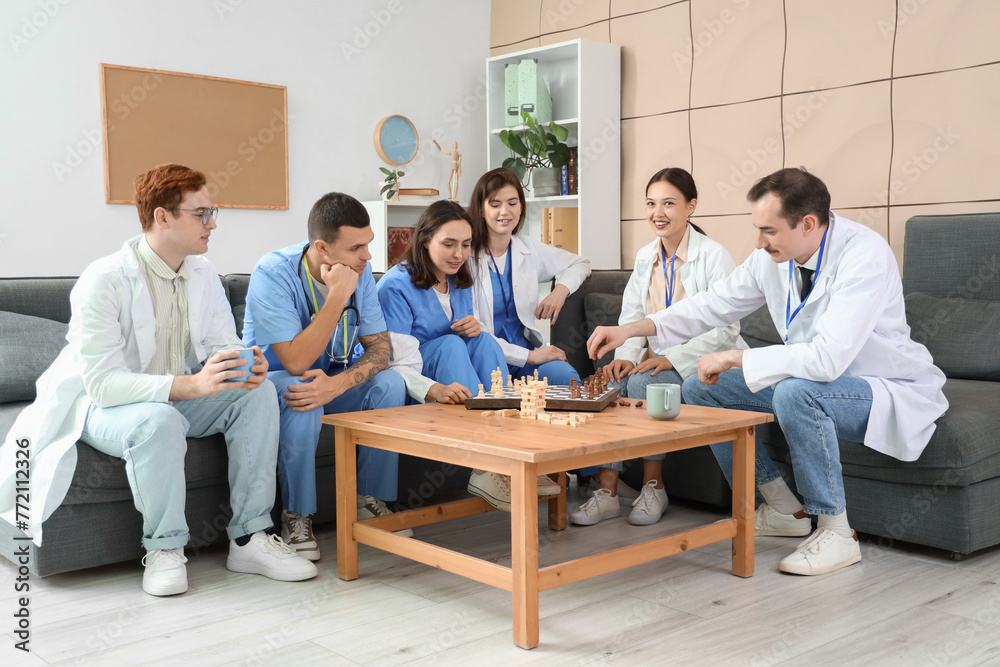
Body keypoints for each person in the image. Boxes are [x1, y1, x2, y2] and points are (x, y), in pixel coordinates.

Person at [587, 167, 948, 575]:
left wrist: (737, 357)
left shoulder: (864, 255)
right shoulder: (773, 258)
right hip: (811, 377)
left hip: (879, 386)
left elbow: (827, 359)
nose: (758, 243)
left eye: (769, 231)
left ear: (808, 223)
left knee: (797, 392)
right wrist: (630, 329)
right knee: (702, 388)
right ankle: (781, 509)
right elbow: (710, 304)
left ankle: (836, 531)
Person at [0, 164, 317, 596]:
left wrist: (247, 364)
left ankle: (249, 538)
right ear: (162, 217)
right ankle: (165, 548)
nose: (213, 222)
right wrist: (192, 386)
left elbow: (222, 344)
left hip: (179, 394)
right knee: (157, 421)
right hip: (102, 405)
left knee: (256, 392)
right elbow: (104, 385)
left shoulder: (203, 273)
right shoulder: (105, 279)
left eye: (212, 211)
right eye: (201, 213)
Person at [572, 167, 745, 528]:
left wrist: (671, 359)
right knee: (608, 382)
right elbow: (633, 315)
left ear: (691, 206)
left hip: (700, 361)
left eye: (669, 203)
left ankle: (655, 486)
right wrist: (624, 358)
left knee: (641, 385)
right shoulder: (646, 256)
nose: (658, 213)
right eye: (651, 204)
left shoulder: (714, 255)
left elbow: (727, 329)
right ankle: (607, 491)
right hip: (654, 357)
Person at [243, 193, 407, 562]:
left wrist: (339, 383)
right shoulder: (273, 272)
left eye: (369, 245)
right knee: (304, 391)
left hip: (329, 377)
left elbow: (381, 350)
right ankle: (297, 515)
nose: (368, 257)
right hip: (273, 380)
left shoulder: (359, 273)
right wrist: (337, 296)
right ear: (321, 247)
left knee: (391, 384)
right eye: (357, 248)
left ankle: (369, 499)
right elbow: (296, 361)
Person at [376, 200, 560, 511]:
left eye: (465, 244)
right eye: (448, 244)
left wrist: (475, 328)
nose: (459, 254)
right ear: (424, 240)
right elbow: (398, 361)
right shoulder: (396, 284)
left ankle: (507, 454)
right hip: (418, 381)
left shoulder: (460, 279)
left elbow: (475, 340)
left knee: (485, 342)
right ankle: (486, 463)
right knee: (451, 345)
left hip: (456, 369)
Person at [468, 167, 589, 388]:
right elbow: (475, 331)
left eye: (512, 203)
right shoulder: (465, 259)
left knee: (564, 376)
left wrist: (559, 292)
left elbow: (580, 263)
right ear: (481, 209)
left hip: (527, 360)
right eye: (495, 205)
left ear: (521, 207)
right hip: (490, 360)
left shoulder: (527, 248)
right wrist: (530, 357)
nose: (505, 212)